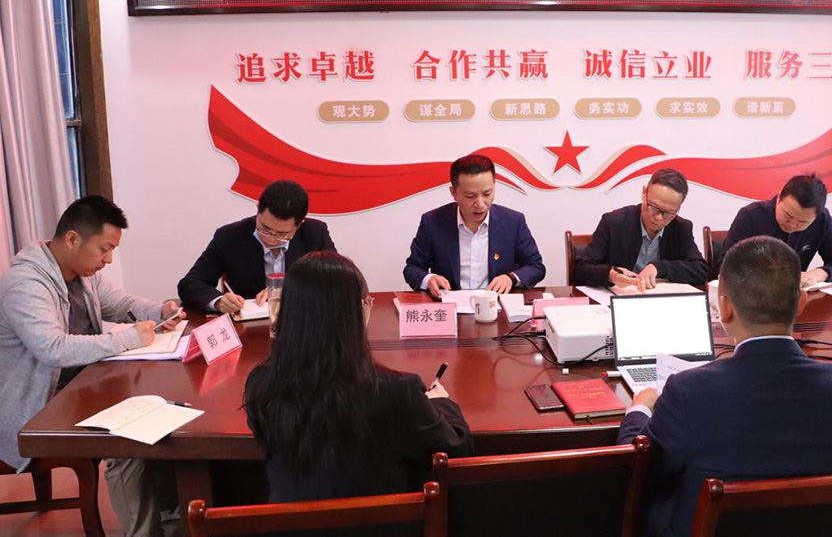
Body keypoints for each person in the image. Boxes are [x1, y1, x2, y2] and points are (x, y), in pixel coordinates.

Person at [618, 236, 832, 537]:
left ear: (725, 309)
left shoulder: (688, 392)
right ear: (801, 302)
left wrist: (639, 409)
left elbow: (636, 471)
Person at [0, 196, 186, 537]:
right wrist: (128, 338)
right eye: (104, 249)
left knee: (162, 408)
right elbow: (53, 349)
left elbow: (120, 303)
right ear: (73, 239)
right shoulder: (25, 283)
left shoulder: (81, 273)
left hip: (82, 388)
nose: (108, 259)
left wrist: (160, 311)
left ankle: (171, 515)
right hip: (38, 404)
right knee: (128, 442)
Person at [244, 251, 473, 505]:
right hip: (382, 524)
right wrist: (440, 402)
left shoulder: (261, 384)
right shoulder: (398, 392)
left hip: (288, 524)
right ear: (359, 311)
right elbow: (456, 449)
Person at [178, 180, 336, 313]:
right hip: (249, 328)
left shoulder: (315, 233)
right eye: (264, 229)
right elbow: (190, 283)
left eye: (281, 234)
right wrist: (218, 301)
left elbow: (337, 281)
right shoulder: (230, 236)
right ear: (258, 208)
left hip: (304, 324)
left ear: (300, 224)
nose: (271, 239)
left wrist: (291, 290)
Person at [403, 154, 545, 296]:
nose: (480, 204)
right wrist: (429, 279)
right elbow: (412, 268)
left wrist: (511, 278)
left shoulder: (513, 222)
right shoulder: (433, 222)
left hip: (496, 305)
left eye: (487, 194)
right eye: (470, 196)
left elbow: (536, 267)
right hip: (451, 304)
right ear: (454, 193)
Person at [573, 168, 708, 289]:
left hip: (661, 301)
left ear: (678, 209)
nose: (658, 218)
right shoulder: (613, 222)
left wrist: (659, 268)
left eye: (668, 213)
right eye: (653, 207)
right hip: (619, 300)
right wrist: (611, 275)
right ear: (644, 193)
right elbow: (581, 269)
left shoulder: (681, 228)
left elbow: (701, 270)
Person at [720, 173, 832, 287]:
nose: (792, 225)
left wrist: (818, 274)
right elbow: (724, 267)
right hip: (754, 297)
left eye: (802, 222)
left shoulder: (822, 219)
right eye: (788, 215)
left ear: (815, 217)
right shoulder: (750, 216)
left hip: (796, 300)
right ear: (779, 198)